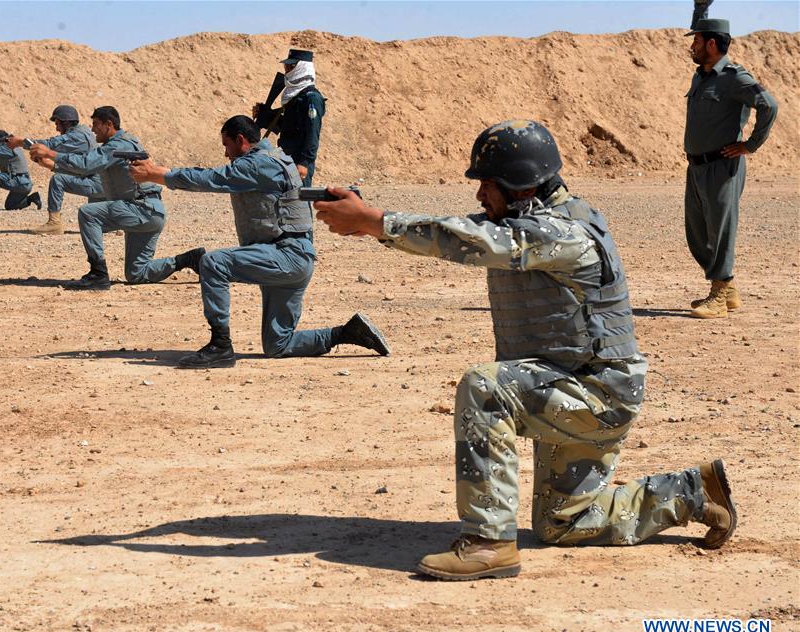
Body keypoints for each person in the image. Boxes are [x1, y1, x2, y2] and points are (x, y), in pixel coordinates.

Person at [315, 120, 737, 580]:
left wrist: (373, 221)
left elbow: (471, 241)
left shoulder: (560, 231)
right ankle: (694, 493)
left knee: (487, 388)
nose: (480, 196)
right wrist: (371, 225)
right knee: (566, 524)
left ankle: (488, 542)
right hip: (574, 387)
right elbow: (456, 231)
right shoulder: (528, 220)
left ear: (521, 187)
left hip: (596, 396)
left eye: (488, 186)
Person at [128, 115, 389, 369]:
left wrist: (156, 174)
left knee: (213, 263)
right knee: (278, 344)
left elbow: (210, 179)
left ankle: (220, 346)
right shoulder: (278, 157)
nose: (226, 154)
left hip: (286, 256)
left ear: (241, 140)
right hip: (291, 258)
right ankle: (348, 333)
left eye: (227, 146)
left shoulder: (257, 164)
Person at [29, 106, 201, 290]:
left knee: (89, 214)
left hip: (141, 208)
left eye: (96, 124)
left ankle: (98, 274)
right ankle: (189, 259)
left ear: (108, 124)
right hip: (148, 212)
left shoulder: (119, 145)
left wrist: (51, 153)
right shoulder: (118, 145)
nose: (92, 129)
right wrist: (52, 165)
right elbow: (89, 168)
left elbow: (87, 163)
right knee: (137, 273)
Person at [684, 0, 778, 318]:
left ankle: (720, 295)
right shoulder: (703, 75)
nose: (692, 46)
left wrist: (750, 145)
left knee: (721, 230)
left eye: (697, 41)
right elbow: (702, 28)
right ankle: (727, 286)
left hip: (722, 167)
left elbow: (769, 106)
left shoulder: (734, 77)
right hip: (696, 167)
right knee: (698, 232)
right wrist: (700, 9)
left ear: (712, 44)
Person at [8, 104, 104, 235]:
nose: (57, 127)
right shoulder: (84, 132)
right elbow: (80, 166)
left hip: (98, 184)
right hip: (101, 182)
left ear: (66, 122)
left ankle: (54, 223)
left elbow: (46, 145)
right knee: (98, 224)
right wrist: (51, 165)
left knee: (58, 180)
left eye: (58, 123)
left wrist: (19, 142)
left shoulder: (76, 137)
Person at [253, 48, 325, 187]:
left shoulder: (311, 98)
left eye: (291, 66)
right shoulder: (295, 95)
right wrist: (265, 116)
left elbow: (312, 133)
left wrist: (304, 162)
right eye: (286, 66)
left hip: (299, 159)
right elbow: (287, 125)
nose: (286, 69)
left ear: (301, 68)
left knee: (299, 202)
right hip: (286, 155)